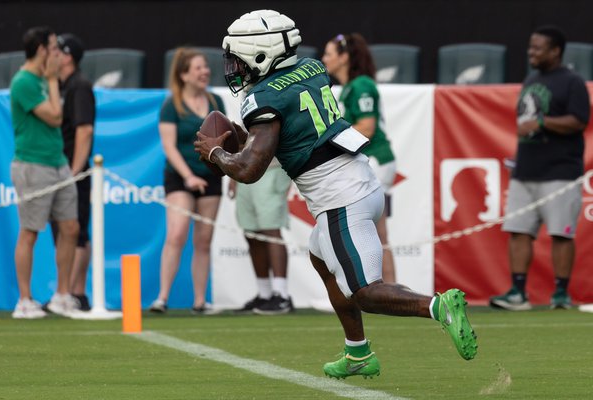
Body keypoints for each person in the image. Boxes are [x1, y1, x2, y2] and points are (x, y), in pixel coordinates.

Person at [195, 9, 477, 378]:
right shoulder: (311, 68)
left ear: (260, 53)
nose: (234, 68)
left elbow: (250, 169)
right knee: (321, 258)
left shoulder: (262, 98)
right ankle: (358, 354)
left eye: (238, 58)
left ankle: (439, 307)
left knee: (365, 291)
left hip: (341, 200)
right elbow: (286, 134)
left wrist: (216, 152)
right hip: (359, 182)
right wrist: (243, 138)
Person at [490, 26, 590, 311]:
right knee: (518, 231)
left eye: (537, 48)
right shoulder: (531, 79)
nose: (531, 53)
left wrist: (543, 123)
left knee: (561, 233)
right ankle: (518, 293)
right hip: (525, 171)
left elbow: (579, 121)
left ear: (555, 50)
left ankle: (560, 294)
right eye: (530, 47)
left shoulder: (572, 82)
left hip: (560, 170)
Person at [10, 26, 80, 318]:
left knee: (70, 228)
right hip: (32, 164)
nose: (58, 54)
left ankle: (62, 295)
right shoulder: (25, 81)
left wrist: (51, 79)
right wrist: (52, 79)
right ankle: (24, 300)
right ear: (41, 50)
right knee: (30, 233)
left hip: (58, 162)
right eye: (53, 48)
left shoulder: (42, 80)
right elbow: (54, 117)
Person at [149, 47, 225, 314]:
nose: (205, 72)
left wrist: (234, 169)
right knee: (177, 233)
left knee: (204, 240)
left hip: (212, 177)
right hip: (180, 178)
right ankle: (162, 297)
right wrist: (188, 176)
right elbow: (169, 147)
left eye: (205, 67)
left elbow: (227, 141)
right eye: (198, 68)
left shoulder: (216, 102)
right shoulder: (172, 105)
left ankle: (199, 301)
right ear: (183, 75)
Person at [322, 33, 397, 283]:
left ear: (344, 58)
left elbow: (366, 127)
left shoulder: (362, 85)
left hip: (375, 159)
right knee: (377, 232)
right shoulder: (349, 89)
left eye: (329, 54)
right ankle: (388, 289)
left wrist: (327, 144)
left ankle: (386, 290)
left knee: (375, 233)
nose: (324, 60)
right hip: (368, 160)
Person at [49, 33, 95, 311]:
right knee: (65, 232)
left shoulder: (79, 86)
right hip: (60, 169)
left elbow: (84, 130)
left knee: (75, 231)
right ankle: (71, 293)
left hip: (72, 171)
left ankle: (75, 293)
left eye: (58, 51)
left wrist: (75, 171)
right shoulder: (58, 85)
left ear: (67, 56)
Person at [229, 158, 294, 315]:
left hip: (271, 169)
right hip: (244, 170)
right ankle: (264, 294)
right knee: (251, 233)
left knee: (271, 231)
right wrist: (233, 176)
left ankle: (281, 295)